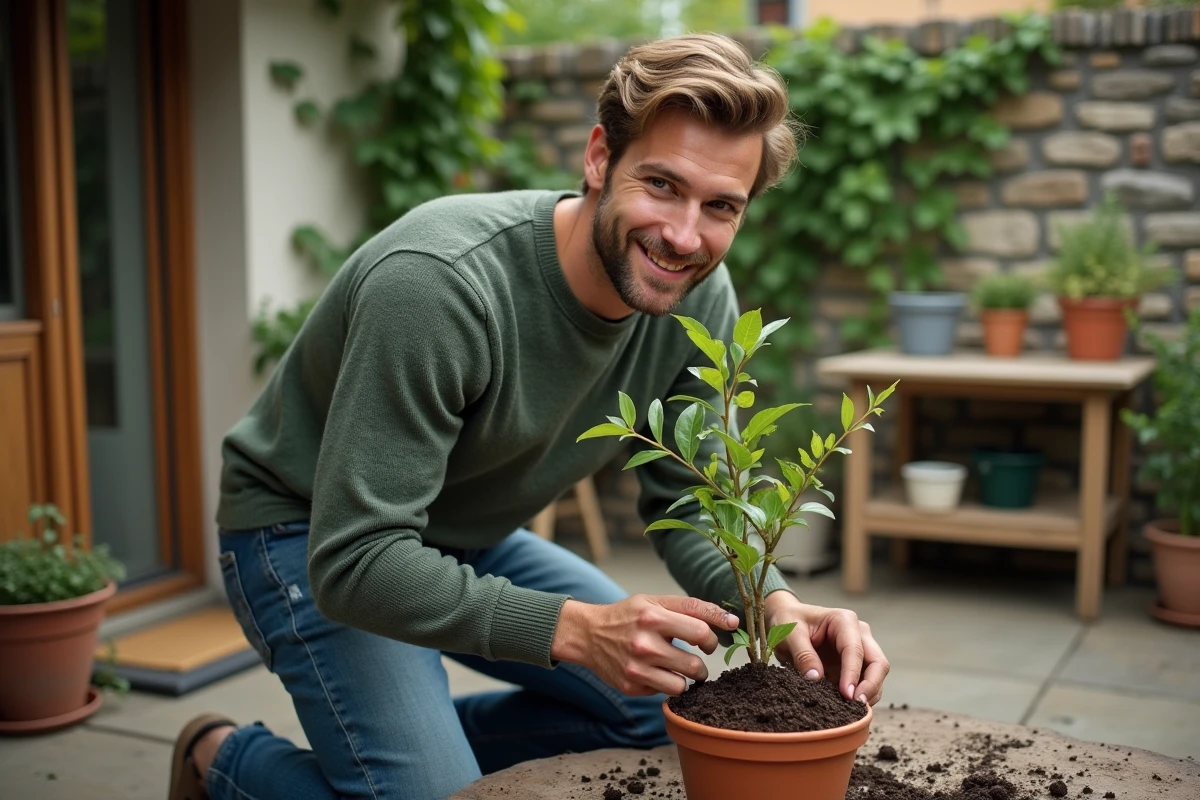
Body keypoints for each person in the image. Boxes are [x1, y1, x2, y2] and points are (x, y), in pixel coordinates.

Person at [168, 32, 890, 800]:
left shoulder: (700, 301)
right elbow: (356, 559)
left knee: (654, 709)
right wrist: (573, 628)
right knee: (444, 794)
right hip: (308, 533)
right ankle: (223, 760)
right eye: (661, 185)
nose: (685, 236)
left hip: (464, 530)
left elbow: (684, 500)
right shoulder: (441, 286)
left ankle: (408, 757)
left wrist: (777, 606)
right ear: (598, 158)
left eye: (721, 207)